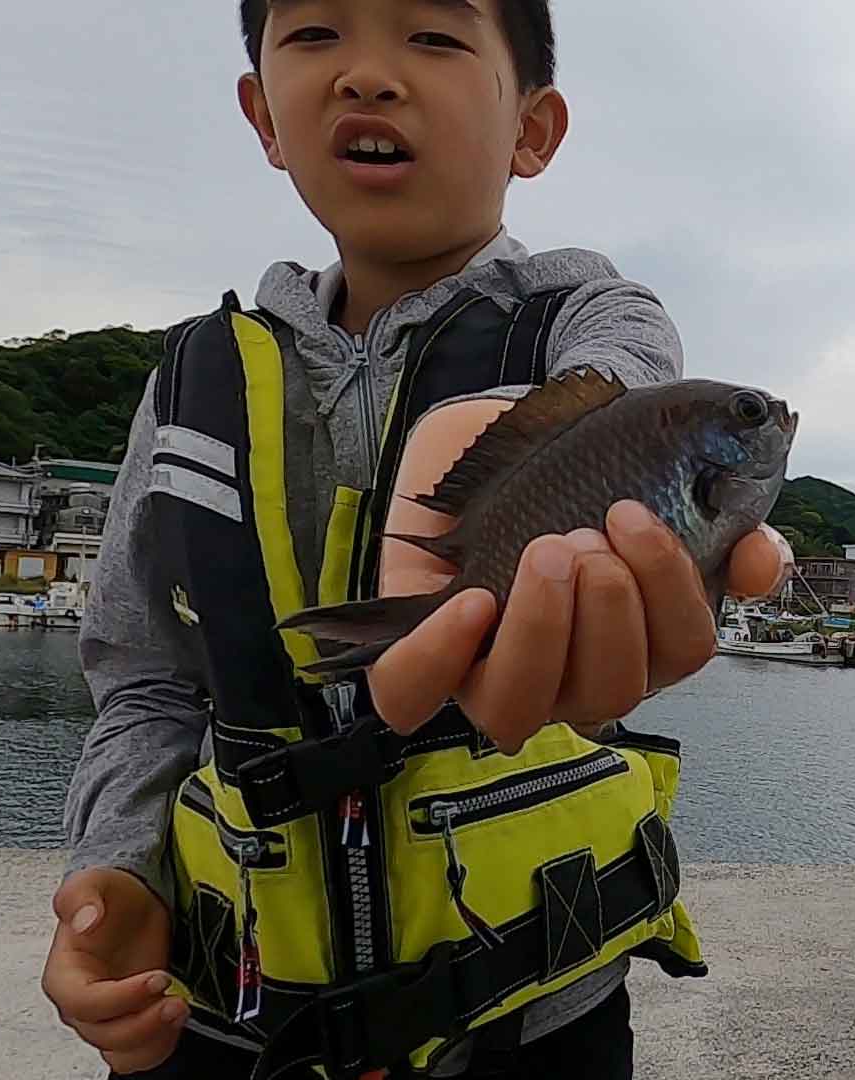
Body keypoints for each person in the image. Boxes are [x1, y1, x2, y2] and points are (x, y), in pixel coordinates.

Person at [39, 3, 791, 1078]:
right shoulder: (191, 384)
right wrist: (115, 873)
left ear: (531, 130)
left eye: (432, 38)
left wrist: (594, 437)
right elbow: (146, 682)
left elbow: (632, 367)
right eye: (314, 37)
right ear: (262, 115)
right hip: (228, 1019)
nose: (368, 76)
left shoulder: (586, 319)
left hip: (534, 1023)